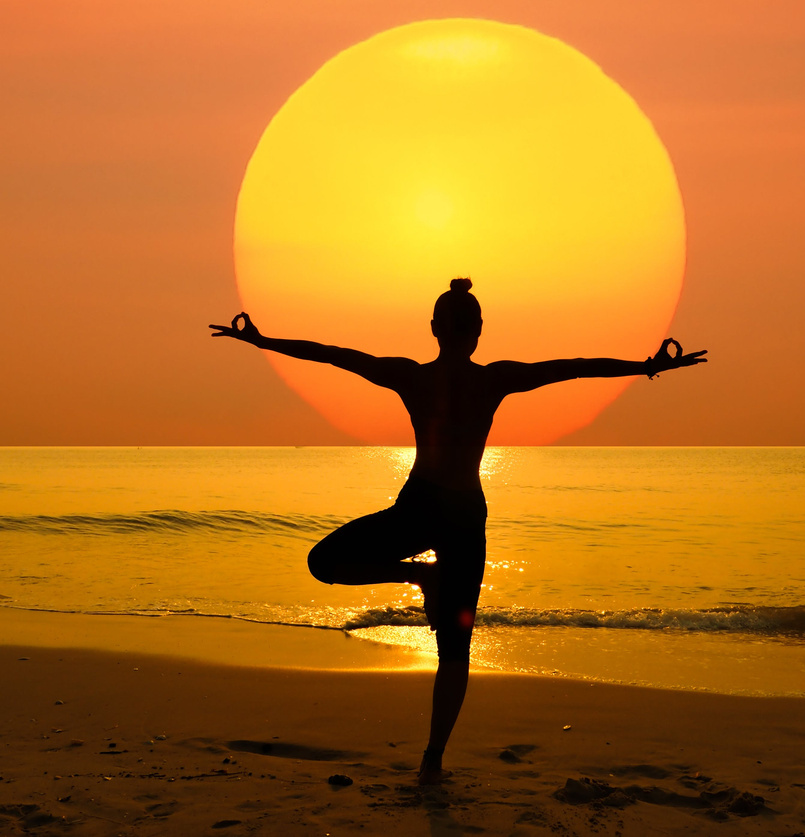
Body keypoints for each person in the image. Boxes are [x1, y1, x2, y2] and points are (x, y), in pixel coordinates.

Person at [209, 278, 706, 784]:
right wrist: (645, 367)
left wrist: (264, 342)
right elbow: (570, 370)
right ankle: (432, 758)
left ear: (434, 329)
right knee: (455, 649)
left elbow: (337, 356)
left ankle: (418, 578)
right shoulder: (492, 380)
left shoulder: (412, 378)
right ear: (478, 332)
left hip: (421, 508)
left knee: (324, 563)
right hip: (464, 515)